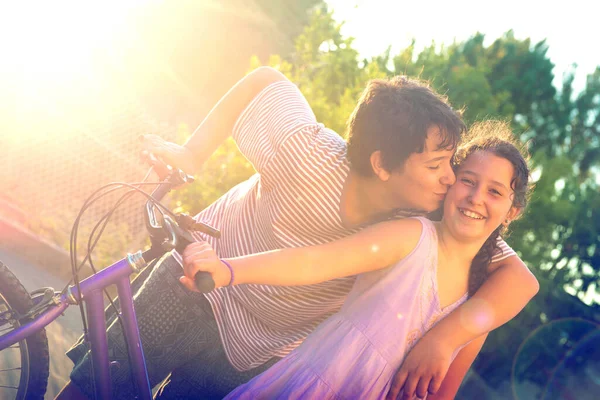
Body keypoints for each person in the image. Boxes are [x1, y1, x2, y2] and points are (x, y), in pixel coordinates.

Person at [58, 67, 538, 400]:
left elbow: (518, 277)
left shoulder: (429, 216)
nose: (454, 181)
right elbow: (265, 80)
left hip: (258, 351)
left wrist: (446, 338)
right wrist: (193, 153)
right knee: (93, 389)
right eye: (439, 166)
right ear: (382, 166)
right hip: (193, 288)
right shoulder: (304, 151)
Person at [181, 121, 534, 399]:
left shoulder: (476, 310)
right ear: (451, 183)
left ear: (512, 212)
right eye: (468, 181)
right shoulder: (411, 236)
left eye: (494, 192)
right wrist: (229, 270)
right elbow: (315, 262)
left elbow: (441, 394)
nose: (475, 198)